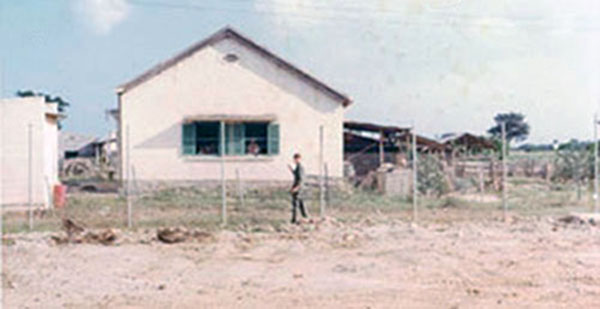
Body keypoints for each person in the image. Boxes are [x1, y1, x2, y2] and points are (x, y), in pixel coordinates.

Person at [288, 153, 308, 224]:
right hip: (298, 187)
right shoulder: (297, 167)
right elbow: (296, 175)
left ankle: (294, 220)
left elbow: (301, 179)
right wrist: (291, 170)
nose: (295, 160)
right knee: (301, 203)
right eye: (295, 159)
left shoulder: (300, 168)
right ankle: (305, 217)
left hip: (298, 188)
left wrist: (296, 188)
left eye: (297, 159)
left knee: (295, 204)